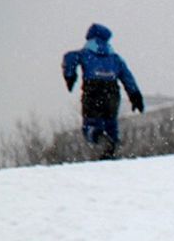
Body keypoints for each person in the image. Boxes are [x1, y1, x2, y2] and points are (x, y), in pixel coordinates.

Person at [61, 24, 144, 159]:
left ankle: (99, 136)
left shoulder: (85, 54)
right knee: (111, 123)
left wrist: (70, 76)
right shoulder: (115, 58)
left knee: (91, 124)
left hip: (93, 91)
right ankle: (111, 147)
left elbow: (69, 57)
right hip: (112, 92)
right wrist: (135, 96)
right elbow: (127, 77)